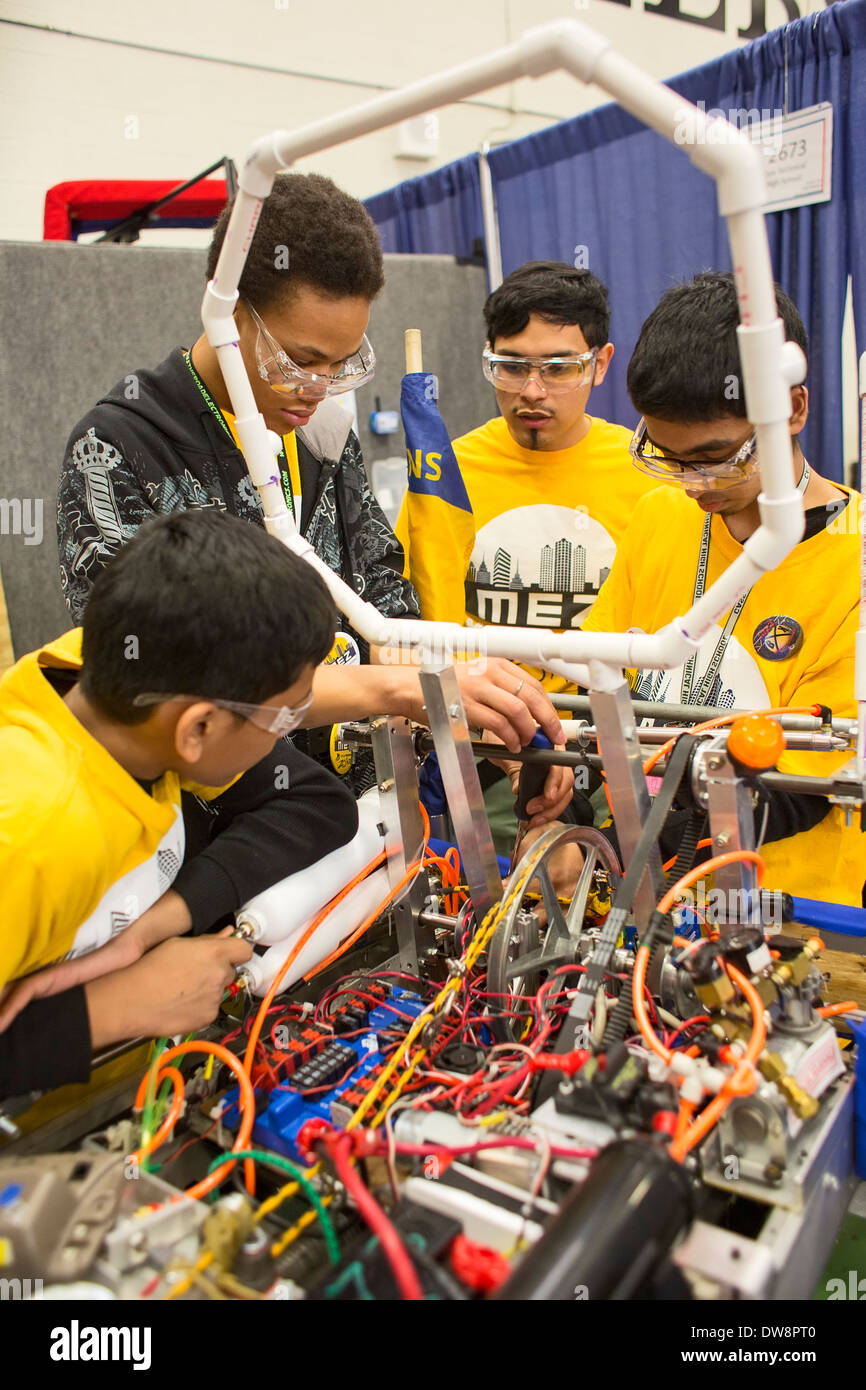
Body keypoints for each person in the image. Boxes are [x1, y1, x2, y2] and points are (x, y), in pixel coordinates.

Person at [55, 173, 572, 820]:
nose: (318, 389)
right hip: (207, 830)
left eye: (343, 363)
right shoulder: (120, 449)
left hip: (350, 813)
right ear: (228, 314)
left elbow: (380, 596)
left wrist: (464, 701)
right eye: (300, 361)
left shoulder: (320, 433)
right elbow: (154, 678)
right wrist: (401, 688)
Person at [0, 510, 362, 1099]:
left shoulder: (111, 688)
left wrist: (148, 931)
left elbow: (319, 803)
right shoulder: (30, 834)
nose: (286, 732)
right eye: (285, 717)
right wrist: (116, 1007)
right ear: (196, 730)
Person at [584, 270, 862, 904]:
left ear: (791, 408)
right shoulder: (660, 516)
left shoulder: (855, 558)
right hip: (641, 902)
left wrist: (627, 845)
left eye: (715, 457)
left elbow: (806, 785)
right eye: (668, 457)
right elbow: (598, 675)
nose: (694, 484)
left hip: (792, 914)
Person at [396, 260, 655, 689]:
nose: (532, 391)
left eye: (558, 368)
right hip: (478, 731)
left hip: (603, 732)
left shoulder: (647, 475)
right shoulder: (446, 470)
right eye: (512, 367)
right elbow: (402, 619)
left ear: (601, 364)